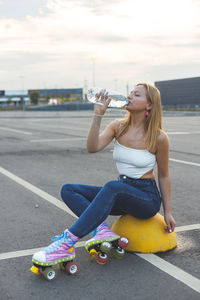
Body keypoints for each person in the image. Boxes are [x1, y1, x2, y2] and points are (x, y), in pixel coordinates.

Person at [32, 83, 176, 266]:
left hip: (146, 199)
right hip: (121, 192)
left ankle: (66, 243)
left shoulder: (159, 137)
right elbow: (92, 147)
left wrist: (169, 212)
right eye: (130, 92)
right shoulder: (118, 127)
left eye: (137, 94)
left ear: (149, 105)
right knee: (69, 190)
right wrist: (98, 114)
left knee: (113, 187)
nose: (130, 96)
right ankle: (101, 231)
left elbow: (164, 175)